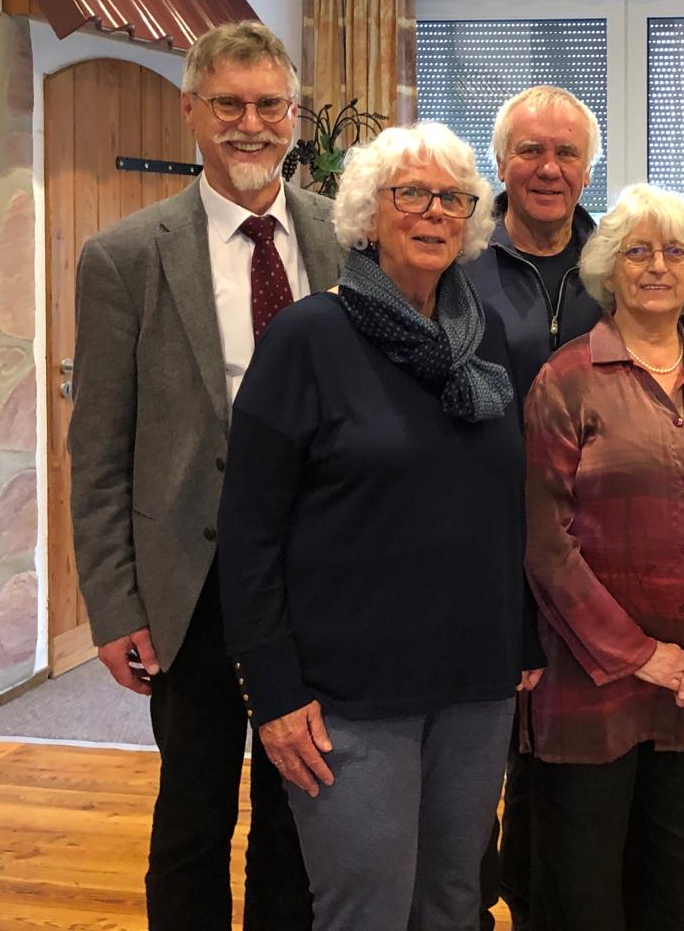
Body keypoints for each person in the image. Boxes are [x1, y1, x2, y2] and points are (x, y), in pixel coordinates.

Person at [215, 122, 542, 930]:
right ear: (369, 212)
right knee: (366, 909)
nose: (436, 213)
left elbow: (503, 503)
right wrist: (276, 693)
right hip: (350, 694)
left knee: (453, 901)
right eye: (412, 195)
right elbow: (249, 531)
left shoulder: (481, 337)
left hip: (474, 680)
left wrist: (522, 639)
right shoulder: (308, 337)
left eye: (454, 199)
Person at [68, 20, 334, 930]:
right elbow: (97, 451)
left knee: (300, 811)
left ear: (294, 114)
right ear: (191, 110)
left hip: (319, 574)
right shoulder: (126, 258)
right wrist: (113, 604)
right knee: (192, 817)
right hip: (194, 585)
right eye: (229, 104)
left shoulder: (343, 244)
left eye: (267, 104)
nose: (249, 124)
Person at [523, 182, 684, 931]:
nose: (658, 266)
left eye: (675, 252)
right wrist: (640, 655)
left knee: (682, 887)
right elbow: (545, 543)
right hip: (589, 683)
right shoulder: (566, 380)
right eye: (638, 251)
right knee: (584, 892)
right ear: (610, 269)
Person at [463, 85, 605, 931]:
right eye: (530, 151)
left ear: (590, 168)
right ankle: (468, 904)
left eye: (566, 154)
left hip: (590, 547)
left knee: (564, 749)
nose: (548, 169)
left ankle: (548, 902)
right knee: (478, 747)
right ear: (501, 162)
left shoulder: (619, 262)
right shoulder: (458, 255)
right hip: (476, 542)